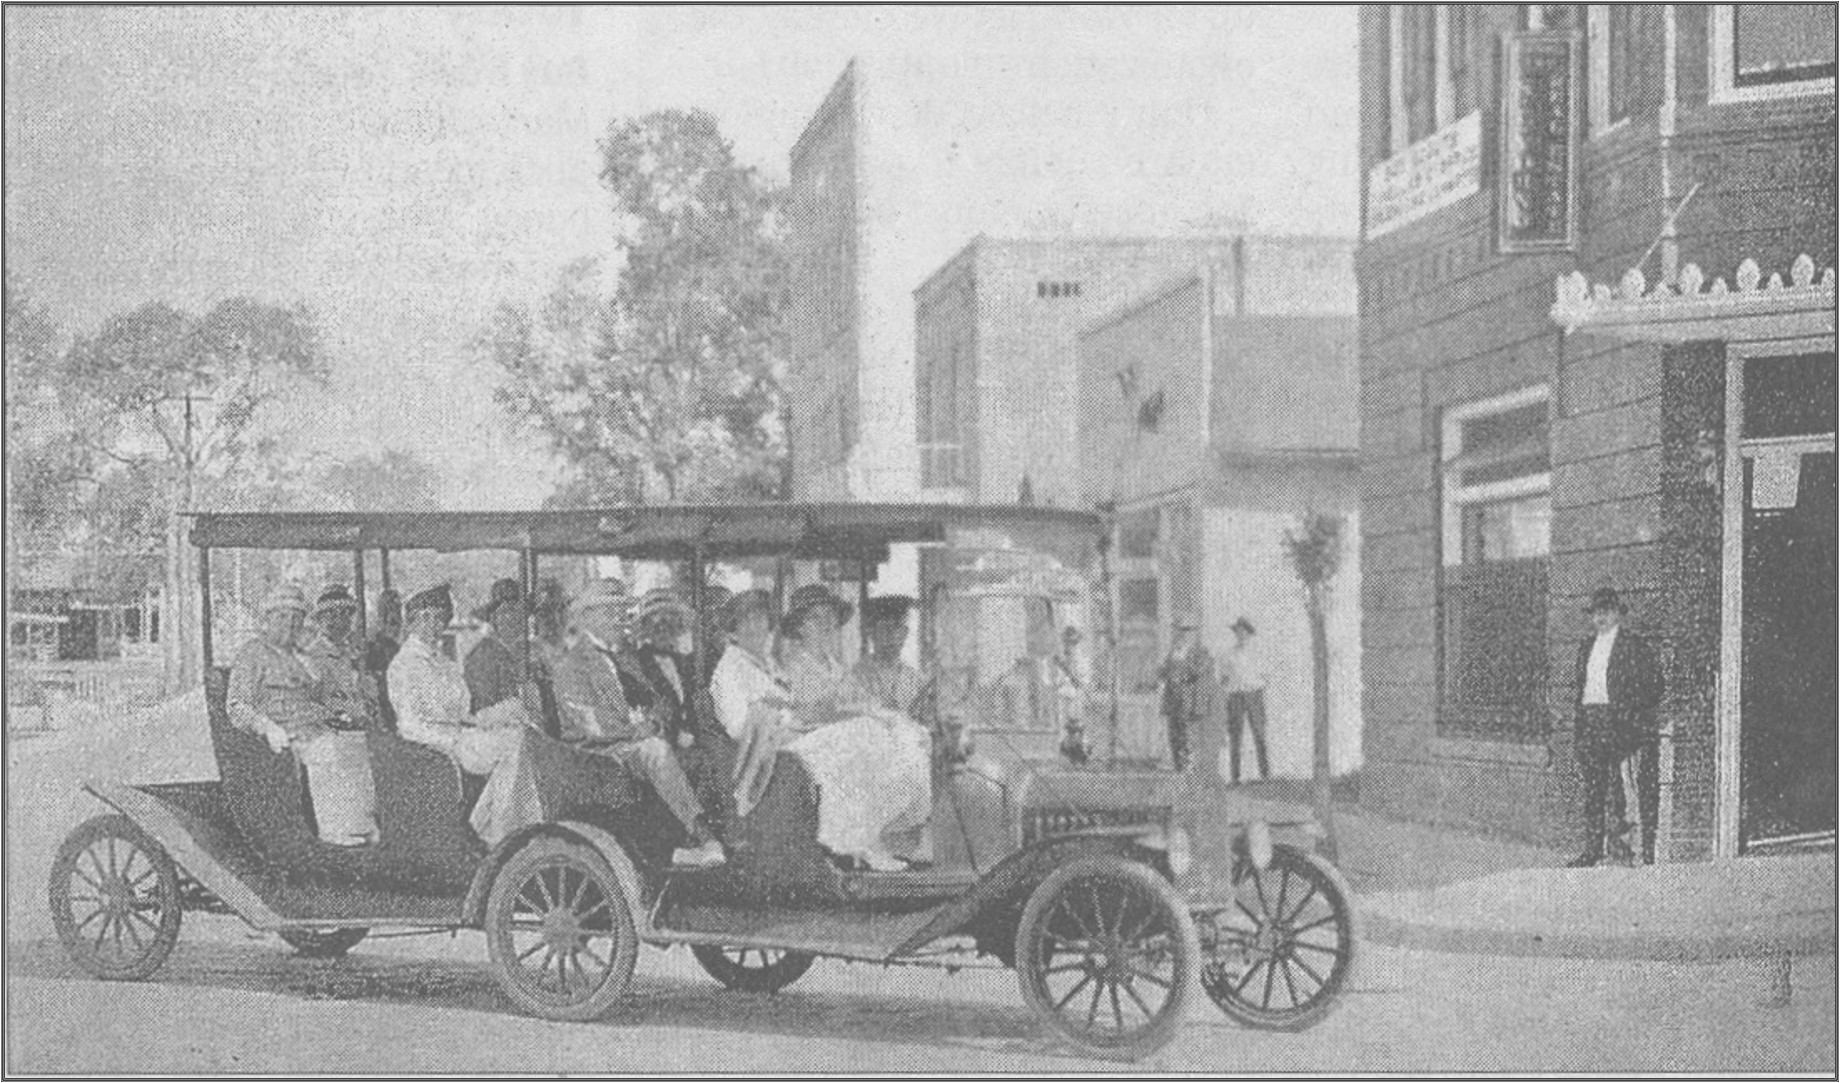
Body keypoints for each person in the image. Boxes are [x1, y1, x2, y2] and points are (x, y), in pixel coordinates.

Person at [551, 579, 726, 869]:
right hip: (592, 756)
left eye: (622, 611)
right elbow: (591, 727)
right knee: (655, 751)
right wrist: (638, 731)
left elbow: (653, 700)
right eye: (610, 612)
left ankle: (676, 844)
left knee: (694, 756)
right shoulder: (571, 666)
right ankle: (704, 836)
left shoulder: (624, 659)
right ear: (587, 619)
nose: (620, 618)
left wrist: (654, 720)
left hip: (626, 746)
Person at [776, 585, 932, 872]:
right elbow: (812, 712)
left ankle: (879, 835)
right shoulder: (796, 666)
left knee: (905, 736)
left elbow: (862, 702)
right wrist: (865, 714)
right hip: (808, 745)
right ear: (800, 627)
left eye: (830, 619)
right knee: (868, 734)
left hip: (841, 741)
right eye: (816, 619)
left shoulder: (837, 668)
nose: (825, 626)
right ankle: (855, 841)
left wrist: (891, 719)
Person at [388, 584, 542, 849]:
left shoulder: (445, 664)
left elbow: (462, 713)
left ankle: (487, 820)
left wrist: (491, 719)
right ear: (411, 622)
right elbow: (411, 724)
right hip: (433, 745)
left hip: (461, 735)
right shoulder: (404, 665)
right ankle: (496, 831)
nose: (433, 623)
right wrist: (455, 738)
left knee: (523, 732)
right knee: (515, 742)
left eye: (438, 616)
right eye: (425, 617)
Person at [227, 583, 379, 847]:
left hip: (316, 728)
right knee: (330, 748)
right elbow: (236, 705)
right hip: (282, 738)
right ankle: (334, 832)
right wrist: (266, 726)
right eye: (282, 617)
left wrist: (349, 704)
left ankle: (362, 825)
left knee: (361, 744)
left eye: (296, 618)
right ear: (267, 619)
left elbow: (322, 697)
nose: (290, 624)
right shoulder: (252, 653)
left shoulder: (302, 657)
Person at [1567, 587, 1664, 868]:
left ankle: (1627, 852)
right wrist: (1581, 725)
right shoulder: (1586, 646)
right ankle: (1593, 850)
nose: (1601, 618)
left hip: (1618, 724)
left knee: (1622, 790)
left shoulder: (1633, 645)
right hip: (1590, 722)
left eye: (1606, 612)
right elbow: (1582, 688)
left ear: (1618, 614)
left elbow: (1655, 685)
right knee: (1593, 791)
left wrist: (1628, 708)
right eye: (1596, 613)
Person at [464, 578, 528, 715]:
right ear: (492, 618)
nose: (513, 618)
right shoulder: (483, 655)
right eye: (505, 612)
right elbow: (485, 710)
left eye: (518, 612)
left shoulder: (522, 650)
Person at [1220, 616, 1270, 782]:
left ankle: (1265, 776)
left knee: (1259, 733)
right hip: (1235, 697)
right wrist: (1227, 689)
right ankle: (1235, 777)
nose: (1240, 635)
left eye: (1243, 632)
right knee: (1235, 736)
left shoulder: (1257, 653)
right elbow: (1224, 678)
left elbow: (1266, 676)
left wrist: (1254, 686)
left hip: (1253, 694)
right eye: (1238, 632)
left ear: (1249, 634)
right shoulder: (1229, 654)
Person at [364, 588, 404, 730]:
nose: (395, 626)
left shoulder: (397, 649)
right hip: (383, 706)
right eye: (391, 621)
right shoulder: (374, 648)